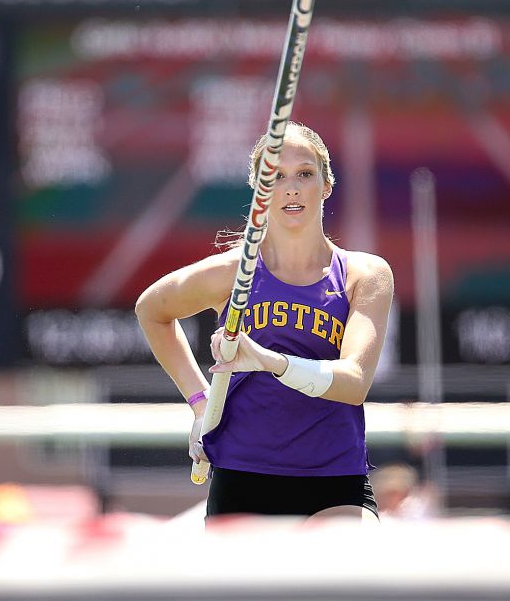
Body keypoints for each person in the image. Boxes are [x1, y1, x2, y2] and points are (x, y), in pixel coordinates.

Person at [135, 122, 394, 522]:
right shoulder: (231, 273)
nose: (291, 188)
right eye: (275, 176)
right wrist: (200, 404)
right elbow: (151, 310)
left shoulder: (364, 274)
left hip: (334, 479)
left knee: (349, 579)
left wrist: (268, 360)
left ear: (326, 185)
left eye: (304, 174)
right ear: (259, 191)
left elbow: (354, 383)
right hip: (242, 477)